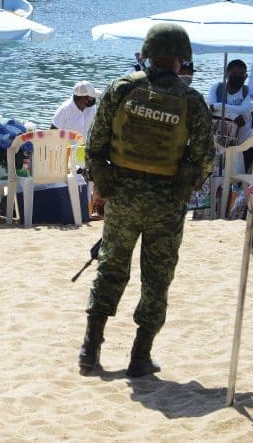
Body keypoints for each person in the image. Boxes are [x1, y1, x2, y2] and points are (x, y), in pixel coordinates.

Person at [79, 23, 214, 377]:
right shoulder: (192, 101)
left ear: (147, 53)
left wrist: (103, 188)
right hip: (166, 204)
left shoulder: (122, 89)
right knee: (156, 277)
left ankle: (90, 350)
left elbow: (94, 146)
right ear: (182, 60)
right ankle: (140, 356)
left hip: (122, 196)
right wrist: (182, 189)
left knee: (110, 269)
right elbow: (204, 159)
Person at [206, 59, 253, 172]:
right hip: (218, 142)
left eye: (241, 74)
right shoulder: (217, 88)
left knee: (237, 180)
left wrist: (217, 107)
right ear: (226, 74)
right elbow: (210, 110)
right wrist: (233, 116)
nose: (237, 76)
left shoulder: (248, 92)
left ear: (246, 76)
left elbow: (244, 109)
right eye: (234, 74)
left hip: (243, 144)